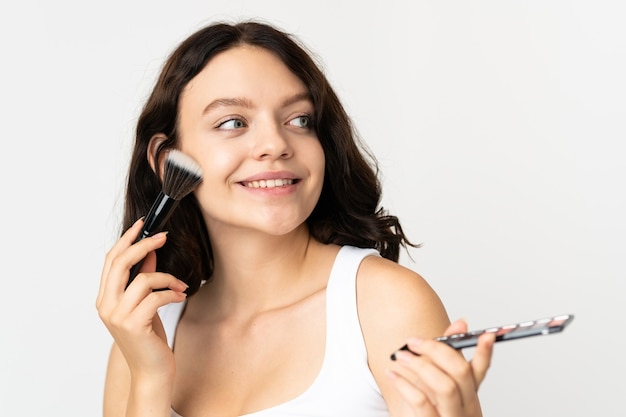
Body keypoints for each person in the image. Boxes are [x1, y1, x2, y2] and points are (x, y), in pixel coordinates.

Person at [96, 20, 495, 417]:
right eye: (233, 122)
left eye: (299, 119)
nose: (275, 144)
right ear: (167, 161)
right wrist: (150, 380)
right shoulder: (142, 337)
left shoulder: (384, 305)